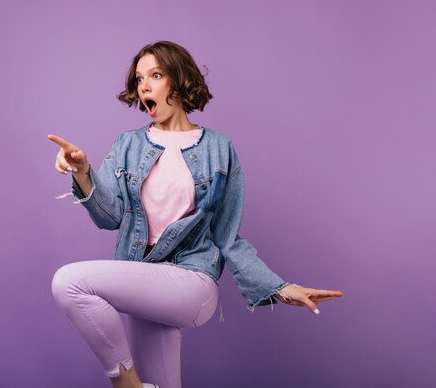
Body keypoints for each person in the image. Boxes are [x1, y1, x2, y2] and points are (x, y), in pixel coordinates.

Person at [48, 41, 343, 388]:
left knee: (69, 282)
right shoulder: (127, 144)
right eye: (139, 78)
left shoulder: (219, 148)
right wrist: (82, 172)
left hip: (193, 282)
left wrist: (279, 288)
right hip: (144, 277)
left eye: (155, 75)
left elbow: (227, 235)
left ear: (178, 80)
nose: (144, 85)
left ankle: (125, 384)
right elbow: (110, 217)